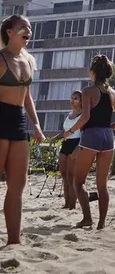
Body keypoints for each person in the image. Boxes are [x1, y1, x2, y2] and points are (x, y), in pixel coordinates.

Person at [64, 55, 115, 229]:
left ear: (92, 72)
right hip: (108, 137)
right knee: (102, 185)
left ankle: (87, 218)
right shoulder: (113, 93)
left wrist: (70, 131)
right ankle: (101, 223)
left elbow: (85, 117)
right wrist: (108, 128)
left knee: (79, 181)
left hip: (91, 136)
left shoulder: (87, 91)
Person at [0, 15, 44, 244]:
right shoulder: (1, 59)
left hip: (18, 122)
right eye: (22, 27)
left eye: (30, 27)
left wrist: (36, 125)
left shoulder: (28, 61)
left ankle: (14, 241)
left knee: (17, 186)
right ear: (9, 31)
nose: (28, 30)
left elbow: (27, 99)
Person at [56, 91, 82, 209]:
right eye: (71, 98)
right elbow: (64, 131)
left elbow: (85, 133)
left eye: (75, 98)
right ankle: (67, 203)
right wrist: (55, 138)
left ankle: (73, 204)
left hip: (76, 143)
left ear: (81, 101)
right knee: (64, 175)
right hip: (66, 144)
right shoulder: (68, 115)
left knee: (71, 176)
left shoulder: (84, 116)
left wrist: (78, 148)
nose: (72, 101)